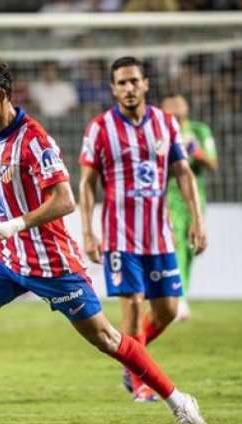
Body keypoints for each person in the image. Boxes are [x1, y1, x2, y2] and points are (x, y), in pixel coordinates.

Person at [0, 50, 208, 424]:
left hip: (51, 262)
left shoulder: (34, 139)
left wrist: (13, 224)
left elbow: (65, 198)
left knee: (106, 338)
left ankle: (178, 401)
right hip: (9, 258)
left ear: (1, 95)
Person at [78, 56, 207, 403]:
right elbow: (87, 182)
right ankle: (141, 384)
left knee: (167, 310)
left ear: (146, 83)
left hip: (159, 236)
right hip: (121, 238)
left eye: (134, 81)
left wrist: (197, 219)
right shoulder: (100, 128)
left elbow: (183, 172)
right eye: (122, 83)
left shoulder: (166, 124)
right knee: (133, 306)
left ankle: (131, 358)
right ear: (113, 89)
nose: (129, 88)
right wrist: (88, 231)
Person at [160, 93, 218, 320]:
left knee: (190, 248)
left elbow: (213, 164)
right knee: (175, 248)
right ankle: (177, 300)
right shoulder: (158, 131)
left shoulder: (200, 130)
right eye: (169, 104)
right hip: (168, 197)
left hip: (194, 197)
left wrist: (194, 150)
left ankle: (179, 296)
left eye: (179, 102)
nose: (175, 107)